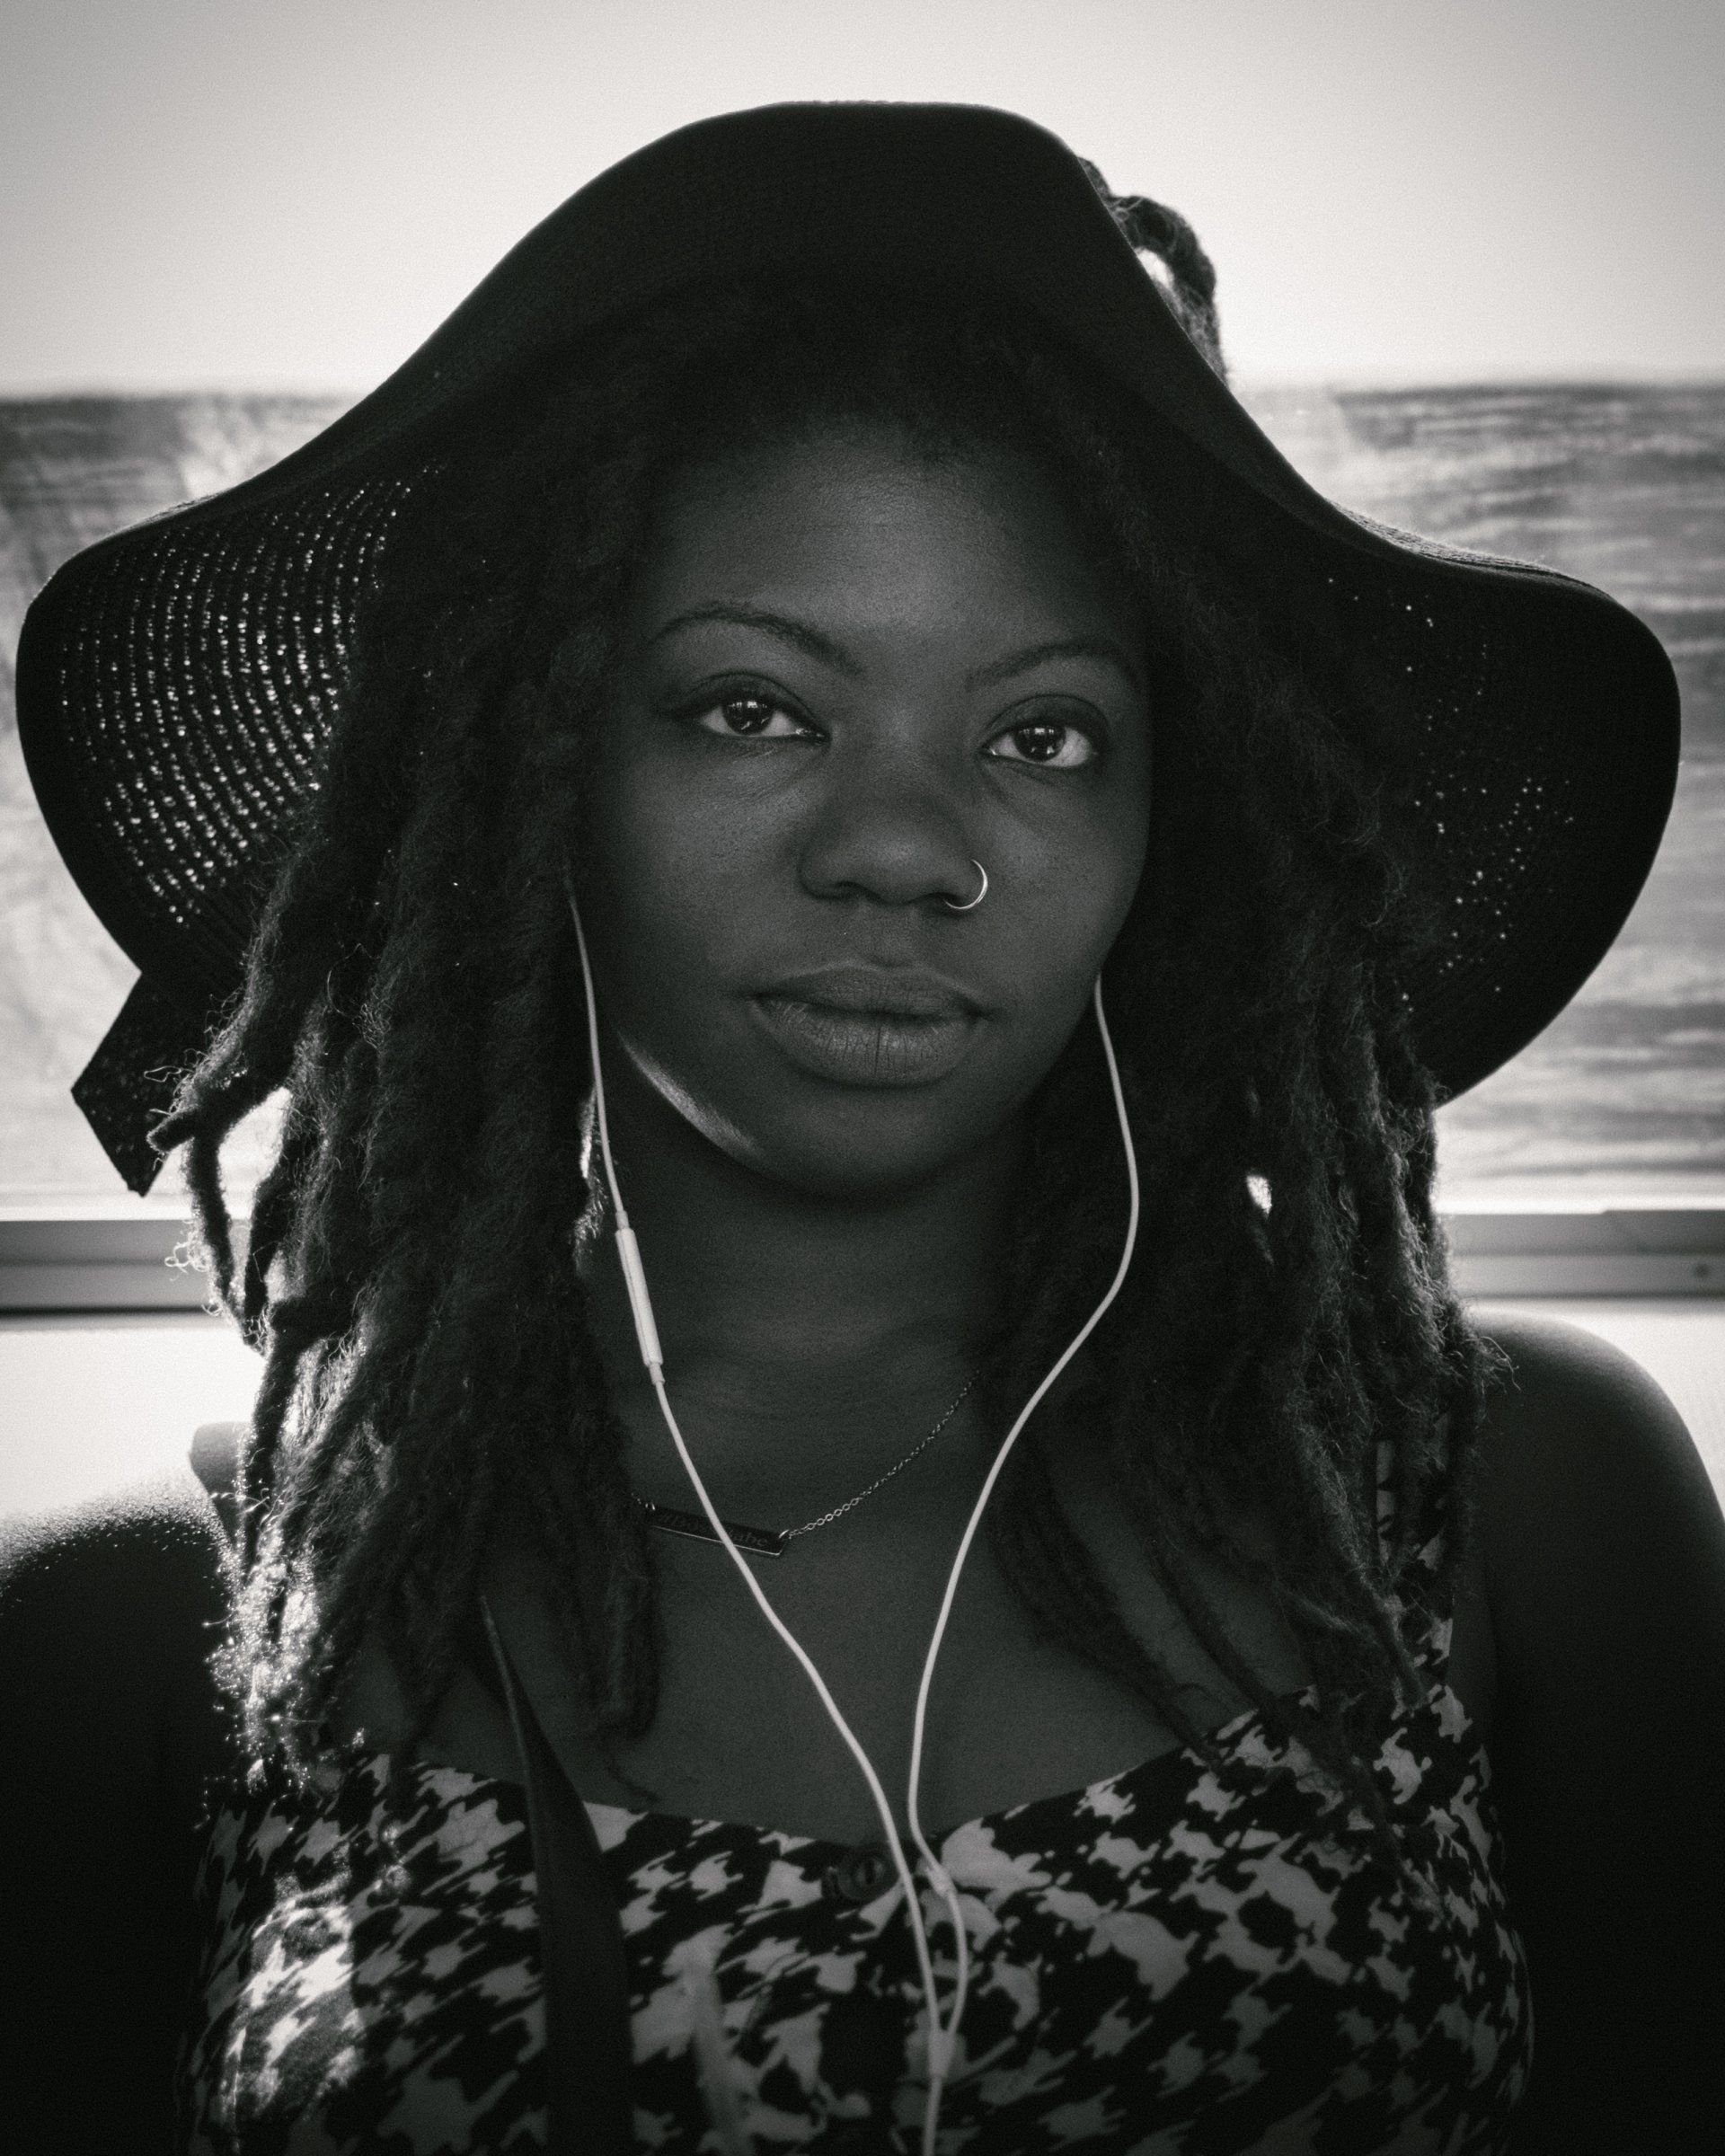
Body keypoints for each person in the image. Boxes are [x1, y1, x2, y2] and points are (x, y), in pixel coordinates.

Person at [4, 102, 1722, 2156]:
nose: (907, 847)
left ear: (1178, 828)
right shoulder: (164, 1630)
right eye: (756, 707)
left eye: (1042, 736)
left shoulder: (1506, 1503)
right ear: (527, 767)